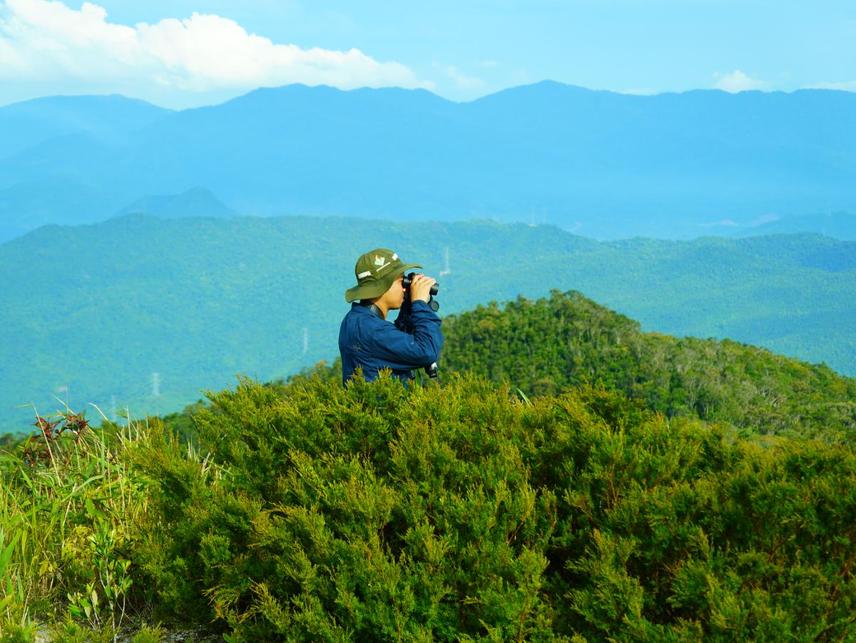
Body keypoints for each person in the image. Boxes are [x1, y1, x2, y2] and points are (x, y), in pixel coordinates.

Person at [339, 248, 443, 385]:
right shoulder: (371, 330)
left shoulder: (355, 320)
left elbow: (399, 345)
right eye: (401, 281)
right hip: (385, 405)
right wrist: (420, 304)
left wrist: (408, 307)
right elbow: (426, 351)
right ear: (383, 286)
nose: (405, 288)